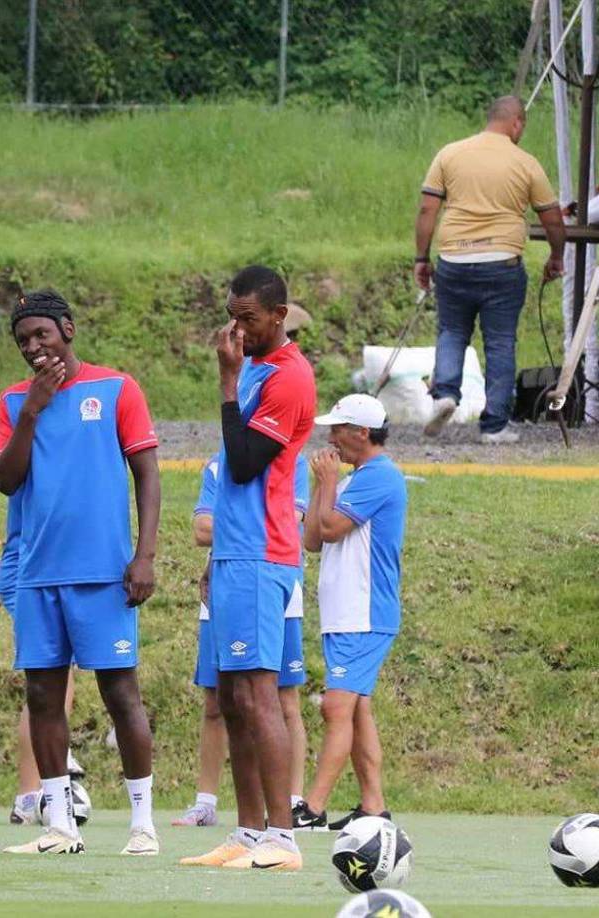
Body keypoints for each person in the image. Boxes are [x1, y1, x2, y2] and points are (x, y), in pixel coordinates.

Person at [0, 290, 161, 856]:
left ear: (67, 328)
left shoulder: (117, 388)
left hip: (104, 574)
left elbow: (147, 473)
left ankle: (143, 823)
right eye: (23, 342)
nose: (34, 348)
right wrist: (33, 410)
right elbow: (6, 480)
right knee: (43, 697)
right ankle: (60, 825)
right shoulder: (15, 402)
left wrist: (145, 554)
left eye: (42, 334)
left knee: (121, 694)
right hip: (39, 574)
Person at [180, 265, 316, 872]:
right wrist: (215, 555)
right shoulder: (256, 367)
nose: (237, 328)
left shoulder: (289, 377)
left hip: (265, 553)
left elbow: (241, 465)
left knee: (262, 695)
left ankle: (283, 839)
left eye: (248, 318)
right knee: (233, 696)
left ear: (279, 316)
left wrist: (227, 382)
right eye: (232, 316)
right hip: (235, 552)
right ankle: (248, 831)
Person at [415, 94, 566, 444]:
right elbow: (553, 219)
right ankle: (494, 426)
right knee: (499, 343)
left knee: (452, 331)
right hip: (503, 264)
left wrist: (422, 258)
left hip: (454, 260)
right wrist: (556, 256)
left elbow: (427, 210)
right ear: (516, 123)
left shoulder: (449, 154)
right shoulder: (525, 162)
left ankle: (446, 394)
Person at [173, 452, 309, 828]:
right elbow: (201, 529)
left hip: (275, 586)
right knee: (219, 698)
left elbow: (288, 520)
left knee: (282, 699)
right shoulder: (218, 465)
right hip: (223, 586)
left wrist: (233, 524)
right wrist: (249, 523)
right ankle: (207, 802)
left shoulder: (290, 462)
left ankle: (291, 804)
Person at [296, 394, 408, 831]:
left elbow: (330, 527)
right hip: (344, 614)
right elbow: (312, 540)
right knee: (356, 711)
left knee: (336, 707)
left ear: (362, 433)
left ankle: (313, 806)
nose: (331, 437)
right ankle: (373, 806)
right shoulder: (353, 479)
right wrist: (325, 484)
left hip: (365, 613)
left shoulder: (379, 477)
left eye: (339, 429)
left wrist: (325, 482)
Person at [0, 513, 84, 827]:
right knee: (51, 683)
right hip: (33, 572)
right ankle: (29, 795)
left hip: (45, 566)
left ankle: (35, 789)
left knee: (58, 680)